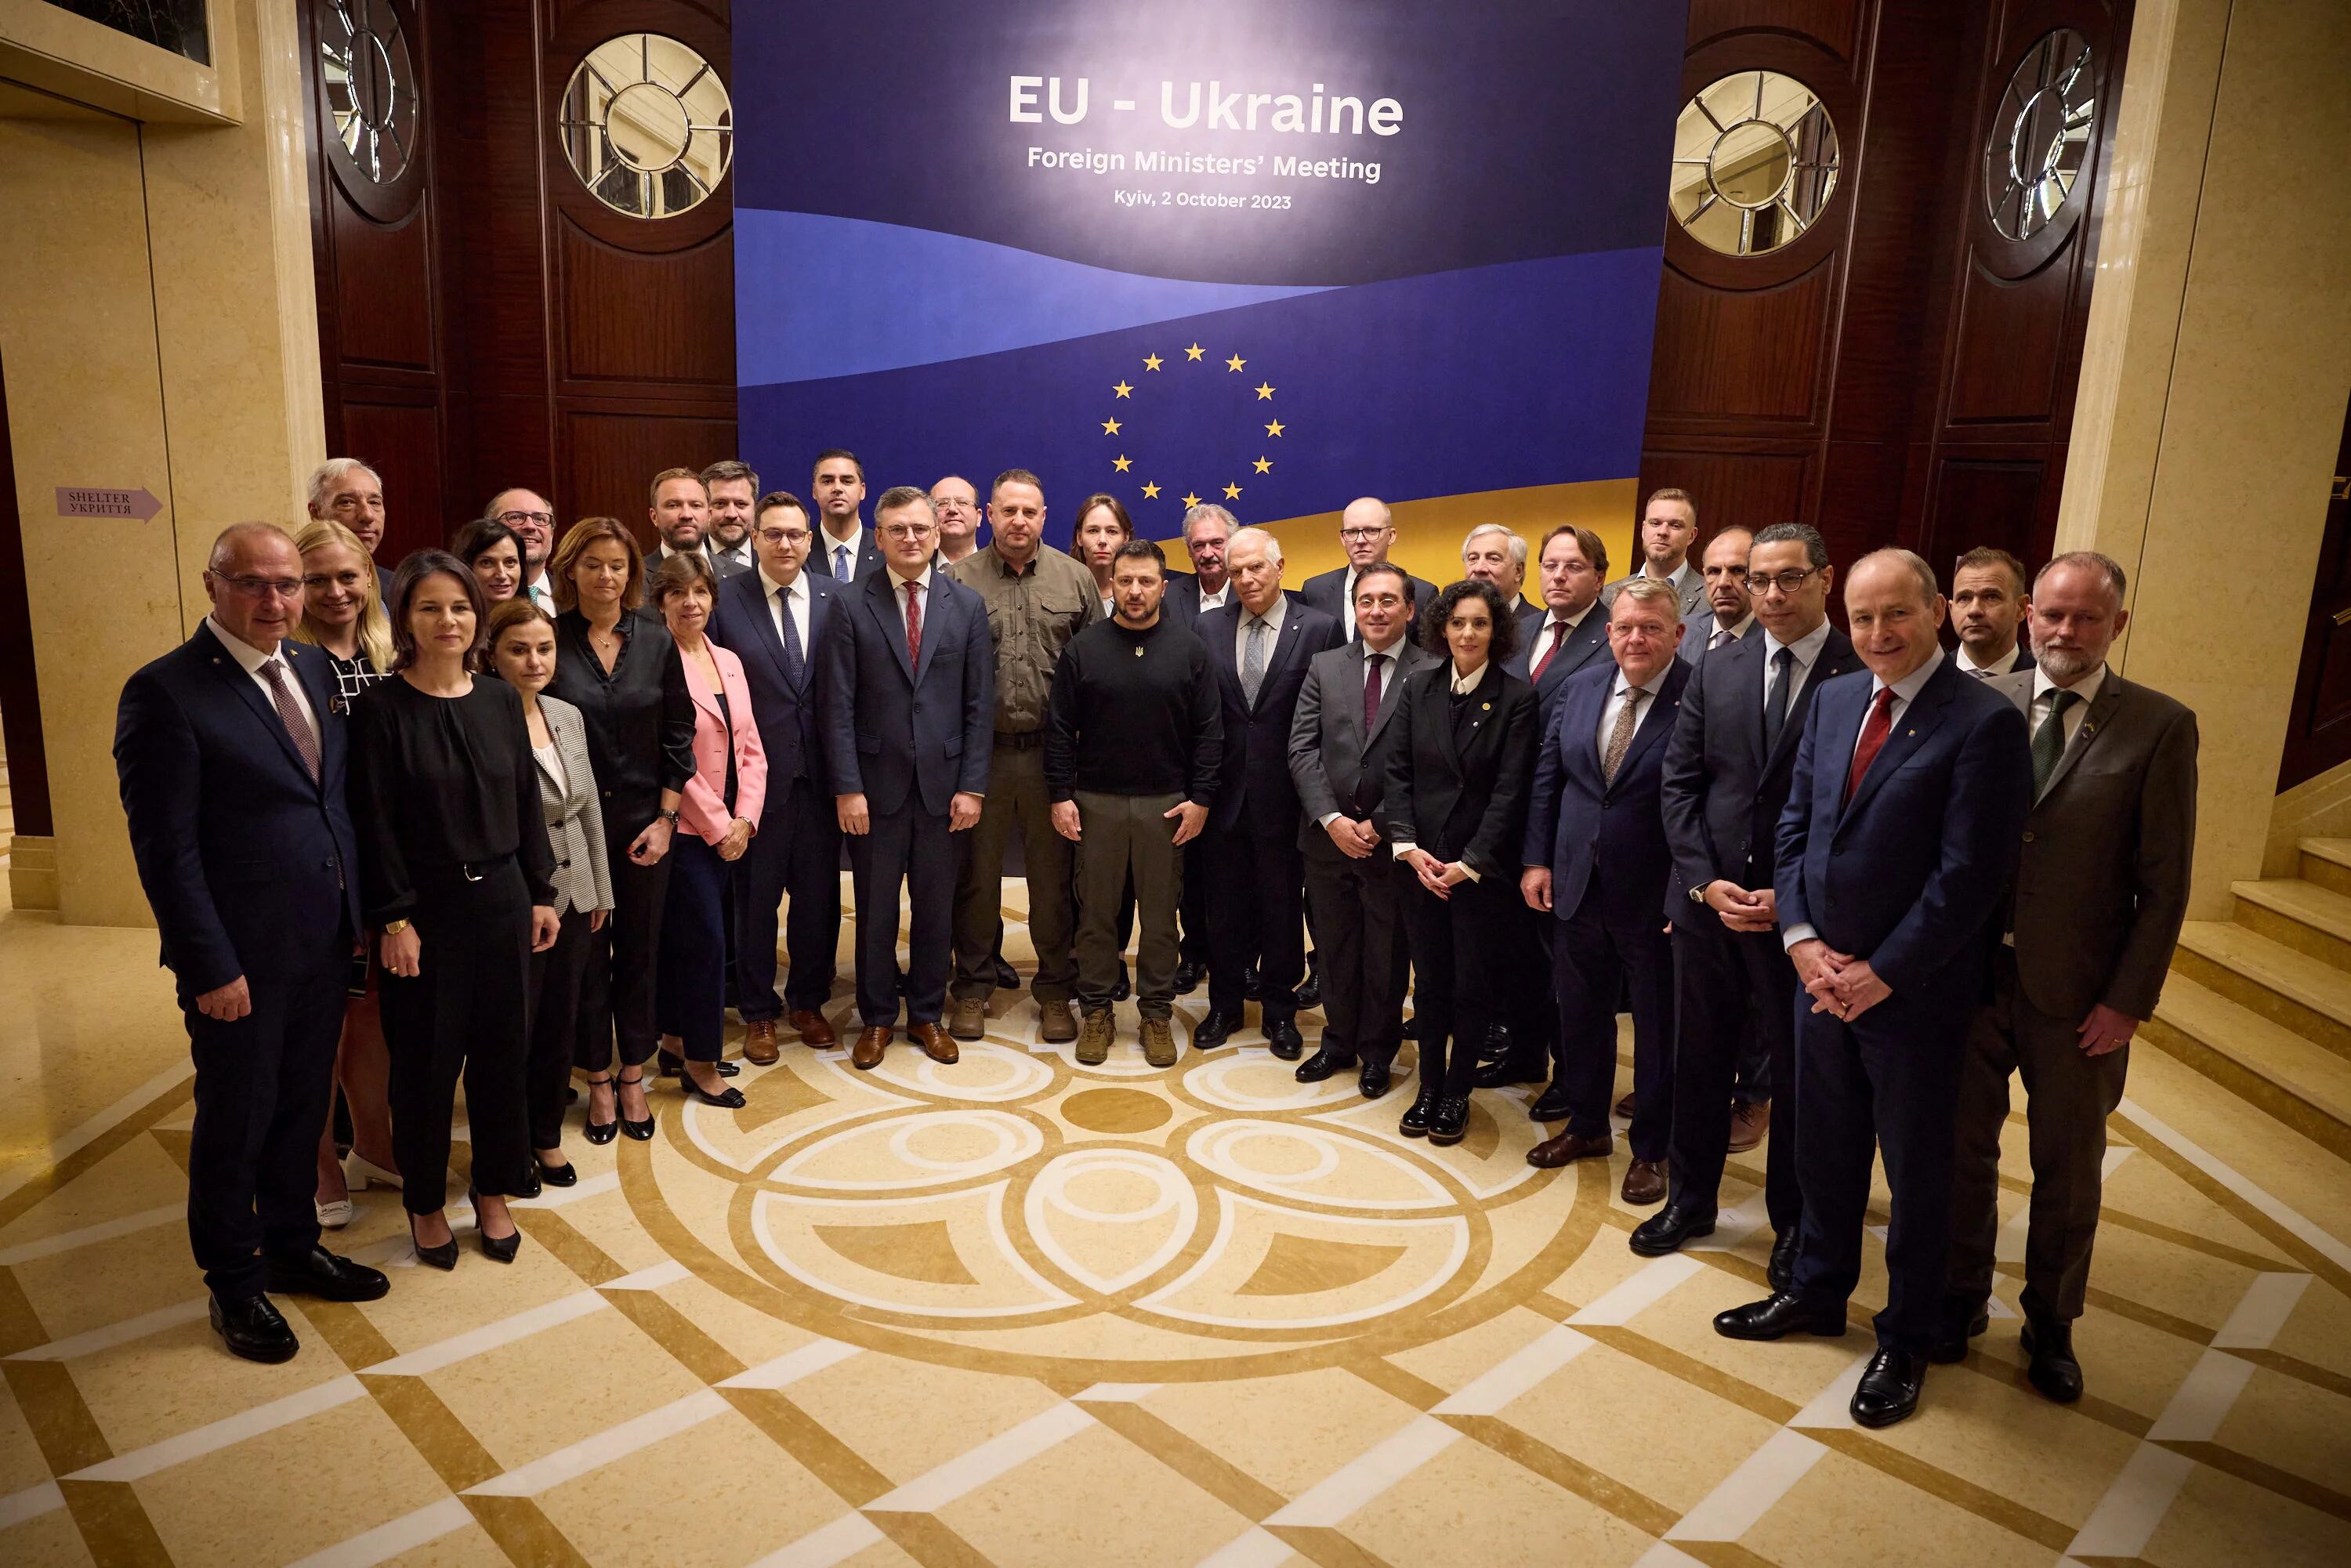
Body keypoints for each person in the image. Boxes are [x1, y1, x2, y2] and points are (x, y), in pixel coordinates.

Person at [1713, 549, 2030, 1432]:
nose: (1880, 633)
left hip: (1915, 997)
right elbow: (1797, 827)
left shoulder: (1983, 723)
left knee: (1919, 1173)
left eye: (1897, 614)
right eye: (1864, 618)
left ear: (1934, 613)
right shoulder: (1838, 698)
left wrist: (1881, 971)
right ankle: (1817, 1292)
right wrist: (1805, 941)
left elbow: (1969, 877)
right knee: (1824, 1147)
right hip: (1821, 982)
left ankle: (1908, 1336)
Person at [115, 523, 389, 1363]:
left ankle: (293, 1245)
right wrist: (209, 965)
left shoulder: (310, 669)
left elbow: (329, 803)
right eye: (254, 585)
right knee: (237, 1115)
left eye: (288, 585)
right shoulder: (165, 692)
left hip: (322, 940)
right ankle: (234, 1283)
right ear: (212, 587)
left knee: (305, 1103)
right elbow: (167, 851)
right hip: (239, 958)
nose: (275, 601)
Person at [1942, 552, 2197, 1402]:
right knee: (1960, 1153)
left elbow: (2164, 884)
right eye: (2051, 614)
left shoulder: (2159, 725)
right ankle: (1959, 1298)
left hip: (2081, 998)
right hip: (1974, 982)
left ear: (2116, 625)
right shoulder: (1982, 705)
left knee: (2068, 1168)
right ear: (2026, 615)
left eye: (2086, 618)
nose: (2063, 632)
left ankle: (2051, 1324)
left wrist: (2129, 1001)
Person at [1646, 523, 1860, 1284]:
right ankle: (1690, 1198)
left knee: (1801, 1081)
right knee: (1696, 1060)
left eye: (1788, 578)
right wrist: (1704, 882)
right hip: (1710, 908)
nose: (1771, 594)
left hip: (1804, 922)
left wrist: (1793, 895)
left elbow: (1859, 811)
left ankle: (1793, 1225)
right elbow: (1680, 785)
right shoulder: (1718, 665)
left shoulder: (1860, 672)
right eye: (1760, 580)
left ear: (1824, 579)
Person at [351, 552, 560, 1268]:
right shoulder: (380, 709)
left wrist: (542, 890)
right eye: (431, 607)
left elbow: (526, 803)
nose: (448, 620)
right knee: (427, 1066)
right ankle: (425, 1202)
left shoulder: (500, 698)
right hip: (426, 912)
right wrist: (395, 919)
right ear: (404, 617)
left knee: (503, 1057)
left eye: (461, 607)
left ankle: (495, 1190)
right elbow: (373, 823)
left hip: (502, 899)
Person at [1520, 580, 1690, 1200]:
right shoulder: (1582, 685)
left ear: (1678, 633)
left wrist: (1683, 891)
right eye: (1625, 627)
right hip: (1575, 884)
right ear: (1610, 632)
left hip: (1655, 898)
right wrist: (1537, 859)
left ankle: (1653, 1148)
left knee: (1656, 1028)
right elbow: (1549, 779)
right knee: (1581, 1014)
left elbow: (1703, 804)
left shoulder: (1697, 695)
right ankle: (1588, 1125)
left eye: (1650, 627)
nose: (1636, 638)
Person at [818, 486, 994, 1068]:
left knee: (936, 907)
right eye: (898, 530)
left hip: (945, 791)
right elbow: (836, 705)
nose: (912, 538)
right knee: (874, 910)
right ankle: (875, 1018)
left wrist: (972, 786)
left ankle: (925, 1013)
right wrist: (848, 786)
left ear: (938, 531)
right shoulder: (849, 603)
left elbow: (978, 706)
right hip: (873, 788)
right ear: (880, 535)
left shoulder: (964, 605)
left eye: (921, 528)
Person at [544, 517, 694, 1143]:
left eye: (618, 566)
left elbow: (678, 736)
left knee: (640, 950)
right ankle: (597, 1076)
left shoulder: (656, 641)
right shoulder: (548, 640)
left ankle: (633, 1071)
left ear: (633, 574)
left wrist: (666, 819)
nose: (606, 577)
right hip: (574, 830)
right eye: (593, 564)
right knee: (582, 959)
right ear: (570, 570)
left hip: (644, 826)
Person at [1049, 540, 1223, 1065]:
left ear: (1163, 587)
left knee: (1161, 919)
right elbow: (1058, 729)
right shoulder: (1084, 647)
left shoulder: (1189, 648)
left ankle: (1155, 1014)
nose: (1135, 591)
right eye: (1125, 581)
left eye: (1146, 581)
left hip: (1166, 806)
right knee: (1097, 917)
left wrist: (1201, 799)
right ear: (1113, 584)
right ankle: (1097, 1012)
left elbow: (1210, 733)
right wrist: (1060, 795)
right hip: (1096, 802)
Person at [1380, 579, 1538, 1144]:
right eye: (1458, 622)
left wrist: (1467, 862)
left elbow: (1510, 792)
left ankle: (1455, 1091)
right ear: (1442, 628)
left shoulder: (1517, 697)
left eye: (1480, 623)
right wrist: (1406, 846)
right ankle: (1427, 1084)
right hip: (1419, 864)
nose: (1468, 632)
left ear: (1497, 632)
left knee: (1472, 986)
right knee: (1430, 986)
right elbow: (1396, 773)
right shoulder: (1417, 687)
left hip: (1476, 872)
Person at [947, 469, 1097, 1042]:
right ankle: (973, 986)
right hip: (979, 758)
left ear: (1044, 515)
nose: (1018, 521)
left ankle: (1057, 988)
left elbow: (1095, 675)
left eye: (1029, 512)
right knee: (977, 880)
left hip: (1051, 759)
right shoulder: (957, 579)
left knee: (1053, 883)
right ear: (989, 514)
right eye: (1008, 511)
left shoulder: (1075, 579)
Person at [288, 520, 400, 1228]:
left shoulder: (388, 652)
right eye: (319, 578)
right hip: (321, 867)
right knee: (321, 1021)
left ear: (369, 579)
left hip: (386, 859)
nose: (336, 591)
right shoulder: (288, 661)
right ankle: (319, 1157)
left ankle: (377, 1144)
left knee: (375, 1013)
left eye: (348, 576)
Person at [1289, 563, 1436, 1097]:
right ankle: (1337, 1040)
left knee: (1386, 952)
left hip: (1391, 843)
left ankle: (1378, 1050)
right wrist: (1331, 819)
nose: (1376, 610)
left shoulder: (1432, 670)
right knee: (1333, 946)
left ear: (1410, 609)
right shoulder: (1325, 665)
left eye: (1388, 600)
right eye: (1366, 600)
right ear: (1354, 608)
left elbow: (1429, 763)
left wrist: (1376, 823)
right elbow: (1301, 749)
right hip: (1327, 841)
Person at [1194, 527, 1342, 1055]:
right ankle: (1225, 1006)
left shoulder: (1320, 629)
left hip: (1288, 797)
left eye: (1256, 567)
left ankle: (1281, 1012)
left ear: (1281, 567)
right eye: (1236, 572)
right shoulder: (1207, 627)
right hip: (1224, 796)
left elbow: (1331, 718)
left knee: (1281, 909)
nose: (1246, 579)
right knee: (1223, 910)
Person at [707, 491, 842, 1061]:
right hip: (753, 786)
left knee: (820, 900)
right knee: (755, 902)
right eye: (773, 534)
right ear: (755, 539)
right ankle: (759, 1011)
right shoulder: (724, 598)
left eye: (795, 534)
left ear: (810, 541)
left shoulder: (841, 597)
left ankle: (808, 1001)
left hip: (823, 778)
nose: (785, 543)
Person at [485, 599, 612, 1189]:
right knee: (513, 1031)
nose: (534, 660)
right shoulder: (481, 714)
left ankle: (546, 1137)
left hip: (577, 893)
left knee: (561, 1025)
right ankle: (509, 1149)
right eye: (518, 649)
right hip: (516, 901)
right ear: (491, 654)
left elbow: (587, 812)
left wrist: (601, 889)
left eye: (544, 648)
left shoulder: (566, 713)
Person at [649, 552, 767, 1106]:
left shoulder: (729, 660)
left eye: (699, 591)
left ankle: (675, 1040)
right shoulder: (653, 660)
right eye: (678, 594)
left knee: (703, 937)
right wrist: (721, 826)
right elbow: (671, 758)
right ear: (660, 602)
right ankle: (701, 1064)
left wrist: (746, 817)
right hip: (689, 830)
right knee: (703, 945)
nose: (690, 603)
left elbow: (750, 746)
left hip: (732, 826)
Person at [1507, 526, 1614, 716]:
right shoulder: (1517, 630)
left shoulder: (1616, 637)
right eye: (1550, 566)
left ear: (1599, 579)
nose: (1558, 576)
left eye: (1574, 567)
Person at [1299, 498, 1438, 643]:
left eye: (1371, 531)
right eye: (1352, 532)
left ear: (1391, 536)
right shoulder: (1314, 591)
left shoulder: (1422, 594)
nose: (1360, 540)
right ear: (1342, 538)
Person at [1605, 488, 1706, 621]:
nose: (1663, 532)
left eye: (1675, 525)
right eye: (1655, 523)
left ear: (1691, 536)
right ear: (1643, 529)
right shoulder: (1607, 596)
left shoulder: (1710, 598)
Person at [308, 458, 389, 596]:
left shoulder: (396, 588)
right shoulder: (290, 587)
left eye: (374, 502)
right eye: (347, 503)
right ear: (316, 513)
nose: (368, 515)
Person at [1951, 545, 2034, 676]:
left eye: (1991, 597)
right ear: (1951, 609)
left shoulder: (2047, 683)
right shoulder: (1925, 678)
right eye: (1964, 598)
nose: (1974, 610)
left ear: (2021, 608)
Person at [650, 468, 740, 578]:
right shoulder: (632, 577)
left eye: (696, 505)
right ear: (654, 517)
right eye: (673, 505)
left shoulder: (742, 576)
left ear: (709, 515)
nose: (686, 515)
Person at [1687, 527, 1755, 664]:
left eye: (1737, 570)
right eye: (1714, 571)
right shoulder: (1683, 632)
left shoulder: (1775, 638)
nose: (1723, 583)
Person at [811, 448, 882, 581]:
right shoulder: (799, 549)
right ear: (814, 491)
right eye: (827, 481)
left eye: (847, 481)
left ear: (862, 490)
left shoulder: (885, 549)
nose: (837, 488)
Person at [486, 488, 560, 613]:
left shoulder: (575, 598)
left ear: (551, 533)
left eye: (540, 519)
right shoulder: (470, 599)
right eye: (515, 517)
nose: (530, 526)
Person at [1163, 502, 1237, 626]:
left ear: (1232, 545)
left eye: (1217, 543)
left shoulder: (1248, 592)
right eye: (1199, 545)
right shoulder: (1168, 596)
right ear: (1189, 550)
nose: (1207, 554)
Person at [1073, 493, 1132, 620]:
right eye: (1093, 531)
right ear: (1079, 537)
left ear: (1126, 538)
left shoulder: (1138, 594)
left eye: (1112, 531)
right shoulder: (1061, 591)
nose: (1102, 540)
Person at [701, 459, 762, 576]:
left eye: (741, 504)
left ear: (755, 508)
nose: (731, 514)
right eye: (720, 504)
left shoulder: (775, 554)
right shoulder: (687, 558)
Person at [451, 517, 525, 606]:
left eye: (510, 562)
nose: (502, 575)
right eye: (487, 563)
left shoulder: (535, 618)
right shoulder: (450, 618)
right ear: (466, 567)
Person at [1461, 525, 1531, 614]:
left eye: (1493, 559)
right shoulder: (1450, 623)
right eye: (1473, 559)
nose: (1479, 568)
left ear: (1518, 571)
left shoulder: (1542, 627)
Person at [931, 474, 984, 566]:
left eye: (962, 502)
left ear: (978, 517)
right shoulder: (916, 572)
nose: (952, 509)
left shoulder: (999, 571)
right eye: (942, 503)